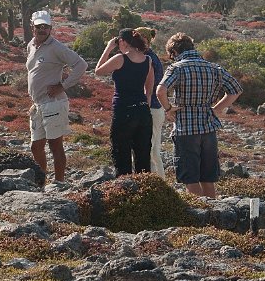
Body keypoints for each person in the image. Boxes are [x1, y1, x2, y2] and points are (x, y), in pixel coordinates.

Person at [156, 32, 242, 198]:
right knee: (208, 177)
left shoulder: (177, 68)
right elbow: (236, 90)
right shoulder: (214, 68)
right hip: (208, 128)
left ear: (174, 52)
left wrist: (168, 109)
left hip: (186, 129)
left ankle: (200, 216)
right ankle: (214, 216)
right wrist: (216, 109)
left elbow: (161, 91)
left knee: (190, 177)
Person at [26, 10, 87, 183]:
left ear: (51, 28)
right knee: (36, 146)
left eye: (46, 27)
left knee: (55, 145)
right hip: (37, 104)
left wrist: (63, 86)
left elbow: (81, 65)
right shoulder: (31, 45)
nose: (42, 30)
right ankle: (41, 183)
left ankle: (59, 183)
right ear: (32, 27)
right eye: (39, 26)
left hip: (53, 103)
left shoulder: (56, 47)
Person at [95, 28, 155, 176]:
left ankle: (125, 189)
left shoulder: (120, 59)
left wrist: (109, 47)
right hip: (142, 111)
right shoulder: (147, 60)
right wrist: (146, 102)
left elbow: (98, 71)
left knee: (121, 153)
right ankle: (144, 190)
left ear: (122, 41)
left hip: (123, 109)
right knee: (143, 155)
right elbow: (149, 86)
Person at [135, 27, 166, 176]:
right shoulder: (152, 57)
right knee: (153, 150)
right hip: (156, 108)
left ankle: (155, 185)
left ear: (144, 40)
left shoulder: (147, 59)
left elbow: (147, 85)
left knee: (148, 149)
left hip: (150, 108)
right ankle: (159, 184)